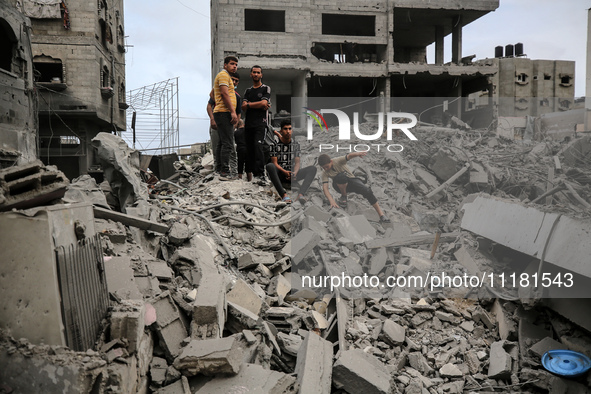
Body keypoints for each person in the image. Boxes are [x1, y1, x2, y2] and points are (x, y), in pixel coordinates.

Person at [318, 152, 390, 223]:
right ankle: (344, 196)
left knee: (367, 191)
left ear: (331, 161)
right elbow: (325, 188)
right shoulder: (324, 173)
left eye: (327, 166)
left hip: (352, 180)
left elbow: (349, 156)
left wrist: (358, 154)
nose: (326, 169)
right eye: (323, 168)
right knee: (341, 177)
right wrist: (332, 201)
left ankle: (381, 215)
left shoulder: (337, 161)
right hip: (339, 185)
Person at [266, 119, 317, 203]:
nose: (288, 131)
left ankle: (301, 194)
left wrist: (295, 173)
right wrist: (285, 172)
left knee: (312, 169)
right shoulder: (274, 145)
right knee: (270, 166)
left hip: (292, 174)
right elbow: (275, 163)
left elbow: (297, 163)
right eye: (285, 129)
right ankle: (284, 195)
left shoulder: (296, 145)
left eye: (290, 129)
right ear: (281, 131)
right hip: (280, 174)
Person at [207, 72, 241, 176]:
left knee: (228, 145)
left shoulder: (236, 96)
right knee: (219, 143)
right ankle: (220, 168)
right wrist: (212, 119)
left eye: (236, 81)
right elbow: (209, 105)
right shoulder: (221, 92)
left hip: (228, 122)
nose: (234, 82)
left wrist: (235, 125)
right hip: (218, 121)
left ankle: (230, 170)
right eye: (232, 79)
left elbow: (238, 112)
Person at [242, 65, 271, 182]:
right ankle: (251, 176)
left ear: (261, 75)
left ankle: (260, 175)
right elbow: (243, 107)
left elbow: (264, 103)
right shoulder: (248, 91)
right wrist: (258, 105)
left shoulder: (266, 88)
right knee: (249, 149)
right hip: (248, 124)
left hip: (261, 124)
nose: (256, 74)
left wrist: (249, 105)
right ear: (251, 74)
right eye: (254, 72)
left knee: (258, 146)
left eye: (258, 72)